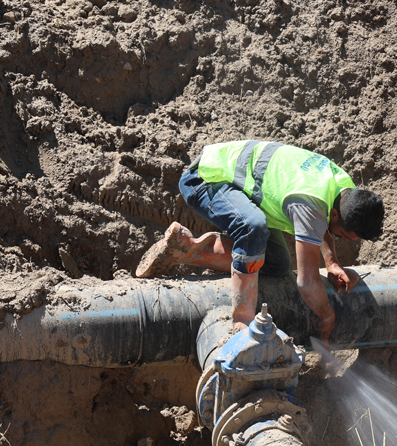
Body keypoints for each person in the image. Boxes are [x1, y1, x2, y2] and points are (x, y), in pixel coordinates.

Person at [135, 140, 384, 341]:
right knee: (251, 227)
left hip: (245, 185)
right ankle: (242, 320)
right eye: (342, 234)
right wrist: (327, 315)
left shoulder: (345, 191)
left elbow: (325, 224)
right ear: (335, 214)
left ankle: (186, 248)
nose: (339, 238)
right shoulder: (310, 202)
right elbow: (307, 282)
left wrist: (331, 263)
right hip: (206, 177)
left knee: (276, 264)